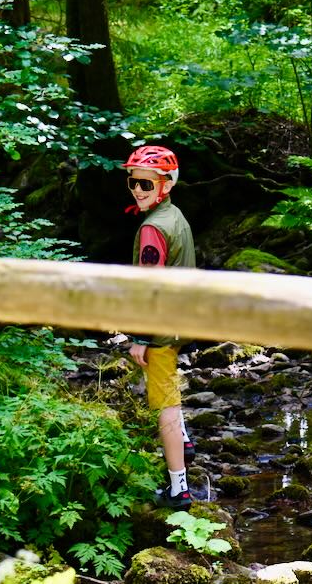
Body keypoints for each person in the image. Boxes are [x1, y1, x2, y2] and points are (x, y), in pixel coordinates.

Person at [120, 145, 197, 510]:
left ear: (165, 186)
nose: (137, 190)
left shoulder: (153, 229)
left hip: (162, 328)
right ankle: (185, 441)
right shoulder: (176, 216)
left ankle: (178, 488)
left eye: (146, 186)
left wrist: (140, 338)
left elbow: (150, 289)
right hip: (182, 320)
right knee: (169, 387)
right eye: (133, 183)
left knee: (163, 401)